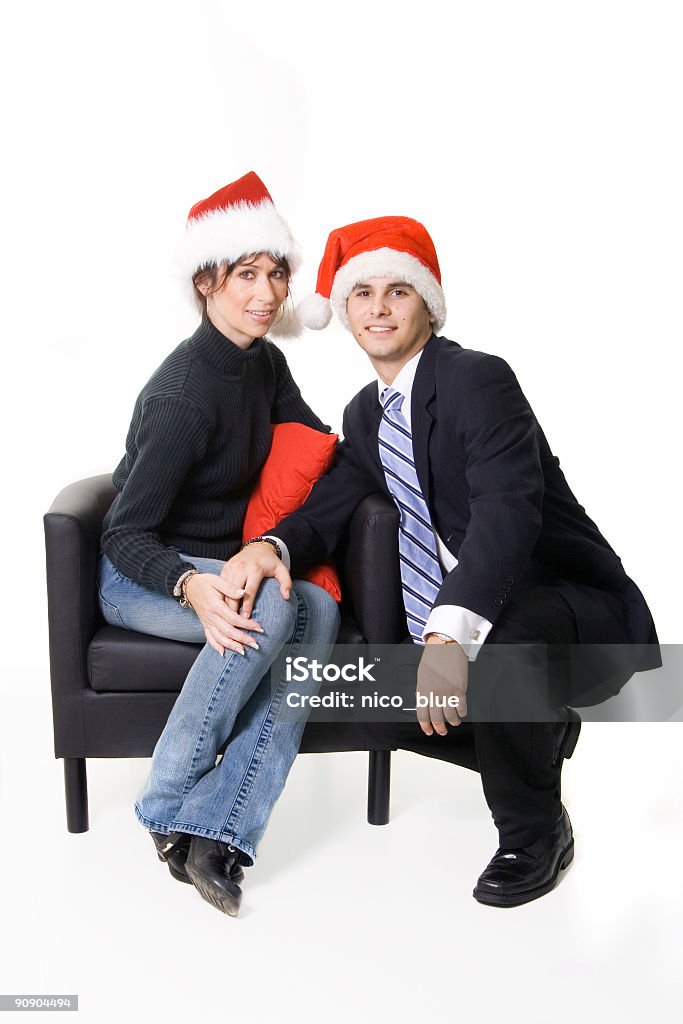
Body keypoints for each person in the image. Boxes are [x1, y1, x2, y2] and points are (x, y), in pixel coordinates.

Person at [222, 214, 659, 907]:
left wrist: (445, 635)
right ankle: (532, 728)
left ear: (427, 303)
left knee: (507, 648)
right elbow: (333, 501)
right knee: (365, 700)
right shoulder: (367, 412)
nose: (378, 307)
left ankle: (533, 833)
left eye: (398, 291)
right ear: (343, 311)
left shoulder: (476, 380)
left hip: (560, 598)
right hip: (472, 612)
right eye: (361, 293)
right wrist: (266, 546)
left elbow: (505, 511)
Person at [97, 172, 340, 917]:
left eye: (275, 273)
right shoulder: (183, 394)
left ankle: (218, 828)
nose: (265, 292)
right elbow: (123, 531)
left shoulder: (264, 363)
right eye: (245, 275)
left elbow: (321, 446)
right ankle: (169, 795)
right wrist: (190, 586)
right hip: (141, 572)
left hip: (221, 559)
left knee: (319, 612)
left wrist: (272, 541)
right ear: (207, 282)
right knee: (270, 610)